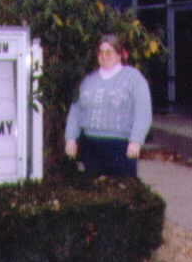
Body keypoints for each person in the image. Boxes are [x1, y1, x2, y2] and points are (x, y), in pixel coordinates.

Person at [64, 33, 152, 177]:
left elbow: (143, 112)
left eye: (109, 52)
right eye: (101, 52)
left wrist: (136, 140)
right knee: (93, 194)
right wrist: (70, 138)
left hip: (121, 147)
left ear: (119, 55)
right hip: (90, 147)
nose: (104, 56)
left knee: (121, 194)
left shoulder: (134, 79)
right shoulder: (88, 81)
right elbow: (75, 112)